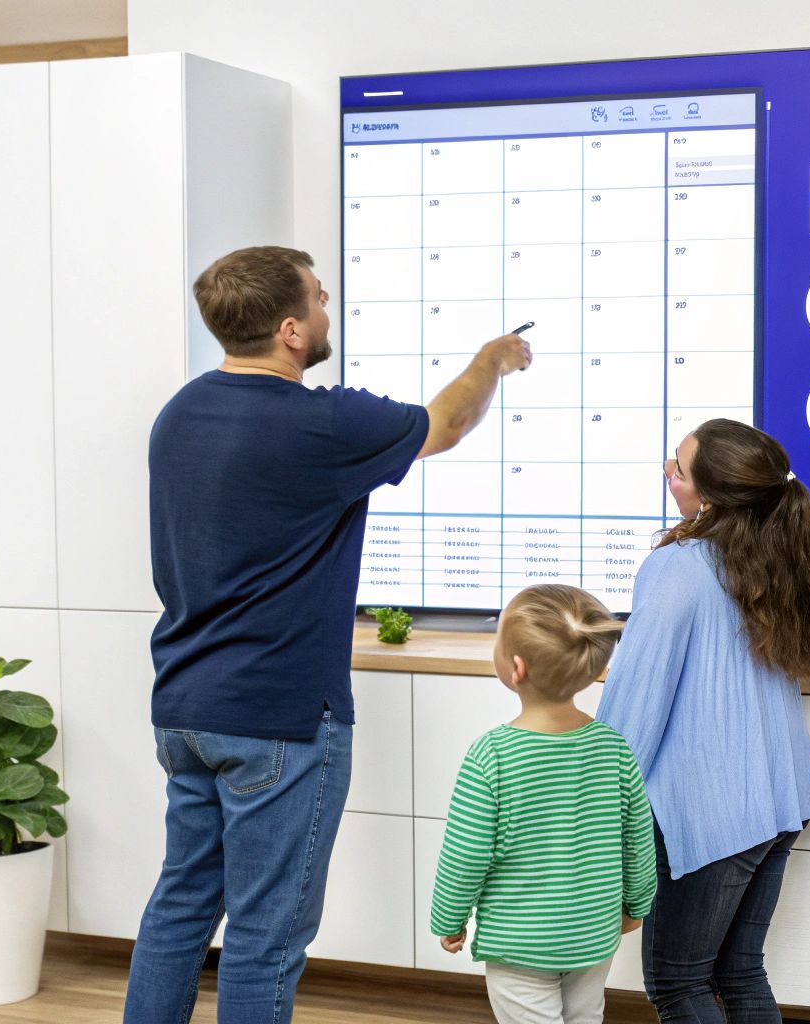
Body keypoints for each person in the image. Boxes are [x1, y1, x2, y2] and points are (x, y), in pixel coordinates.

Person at [123, 245, 531, 1024]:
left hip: (185, 709)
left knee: (180, 906)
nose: (326, 306)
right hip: (278, 719)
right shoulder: (322, 425)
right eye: (317, 296)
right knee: (266, 934)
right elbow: (447, 423)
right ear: (289, 330)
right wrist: (492, 359)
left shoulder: (179, 414)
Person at [597, 418, 810, 1024]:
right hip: (781, 800)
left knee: (678, 985)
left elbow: (637, 699)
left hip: (712, 810)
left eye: (679, 469)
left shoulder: (678, 566)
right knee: (739, 973)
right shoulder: (774, 557)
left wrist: (598, 799)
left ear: (710, 496)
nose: (667, 472)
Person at [430, 584, 658, 1024]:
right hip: (593, 932)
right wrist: (636, 905)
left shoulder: (491, 756)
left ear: (516, 668)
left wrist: (450, 918)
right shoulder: (613, 748)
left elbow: (466, 855)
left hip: (520, 941)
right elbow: (637, 839)